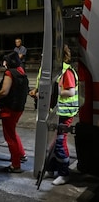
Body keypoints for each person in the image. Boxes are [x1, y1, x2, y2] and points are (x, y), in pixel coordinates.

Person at [44, 44, 79, 185]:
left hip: (66, 112)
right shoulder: (59, 70)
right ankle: (52, 169)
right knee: (55, 142)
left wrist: (55, 92)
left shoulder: (66, 72)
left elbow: (71, 92)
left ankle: (64, 174)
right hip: (60, 112)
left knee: (59, 142)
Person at [0, 51, 29, 173]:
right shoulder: (20, 71)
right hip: (19, 107)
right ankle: (21, 154)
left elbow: (5, 91)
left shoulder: (9, 73)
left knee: (9, 137)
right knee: (13, 132)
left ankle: (15, 165)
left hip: (9, 109)